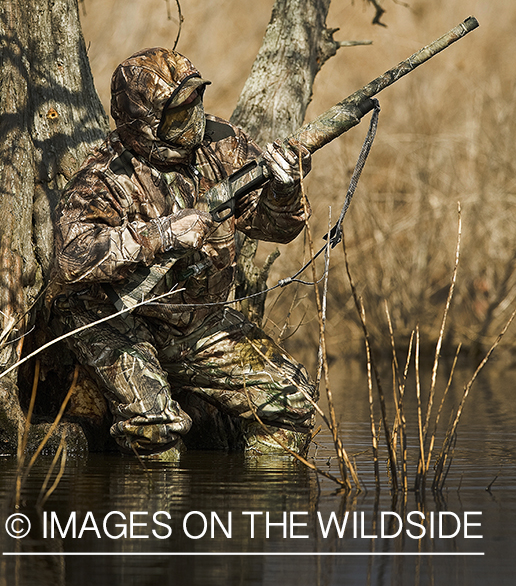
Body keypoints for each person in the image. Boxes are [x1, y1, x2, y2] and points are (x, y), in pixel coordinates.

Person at [47, 47, 315, 459]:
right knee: (156, 430)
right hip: (117, 320)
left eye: (196, 102)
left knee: (293, 404)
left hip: (199, 324)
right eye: (178, 112)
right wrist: (162, 234)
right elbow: (71, 257)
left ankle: (253, 508)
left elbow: (276, 228)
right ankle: (149, 516)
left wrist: (284, 187)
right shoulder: (105, 174)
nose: (193, 120)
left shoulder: (223, 144)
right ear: (144, 121)